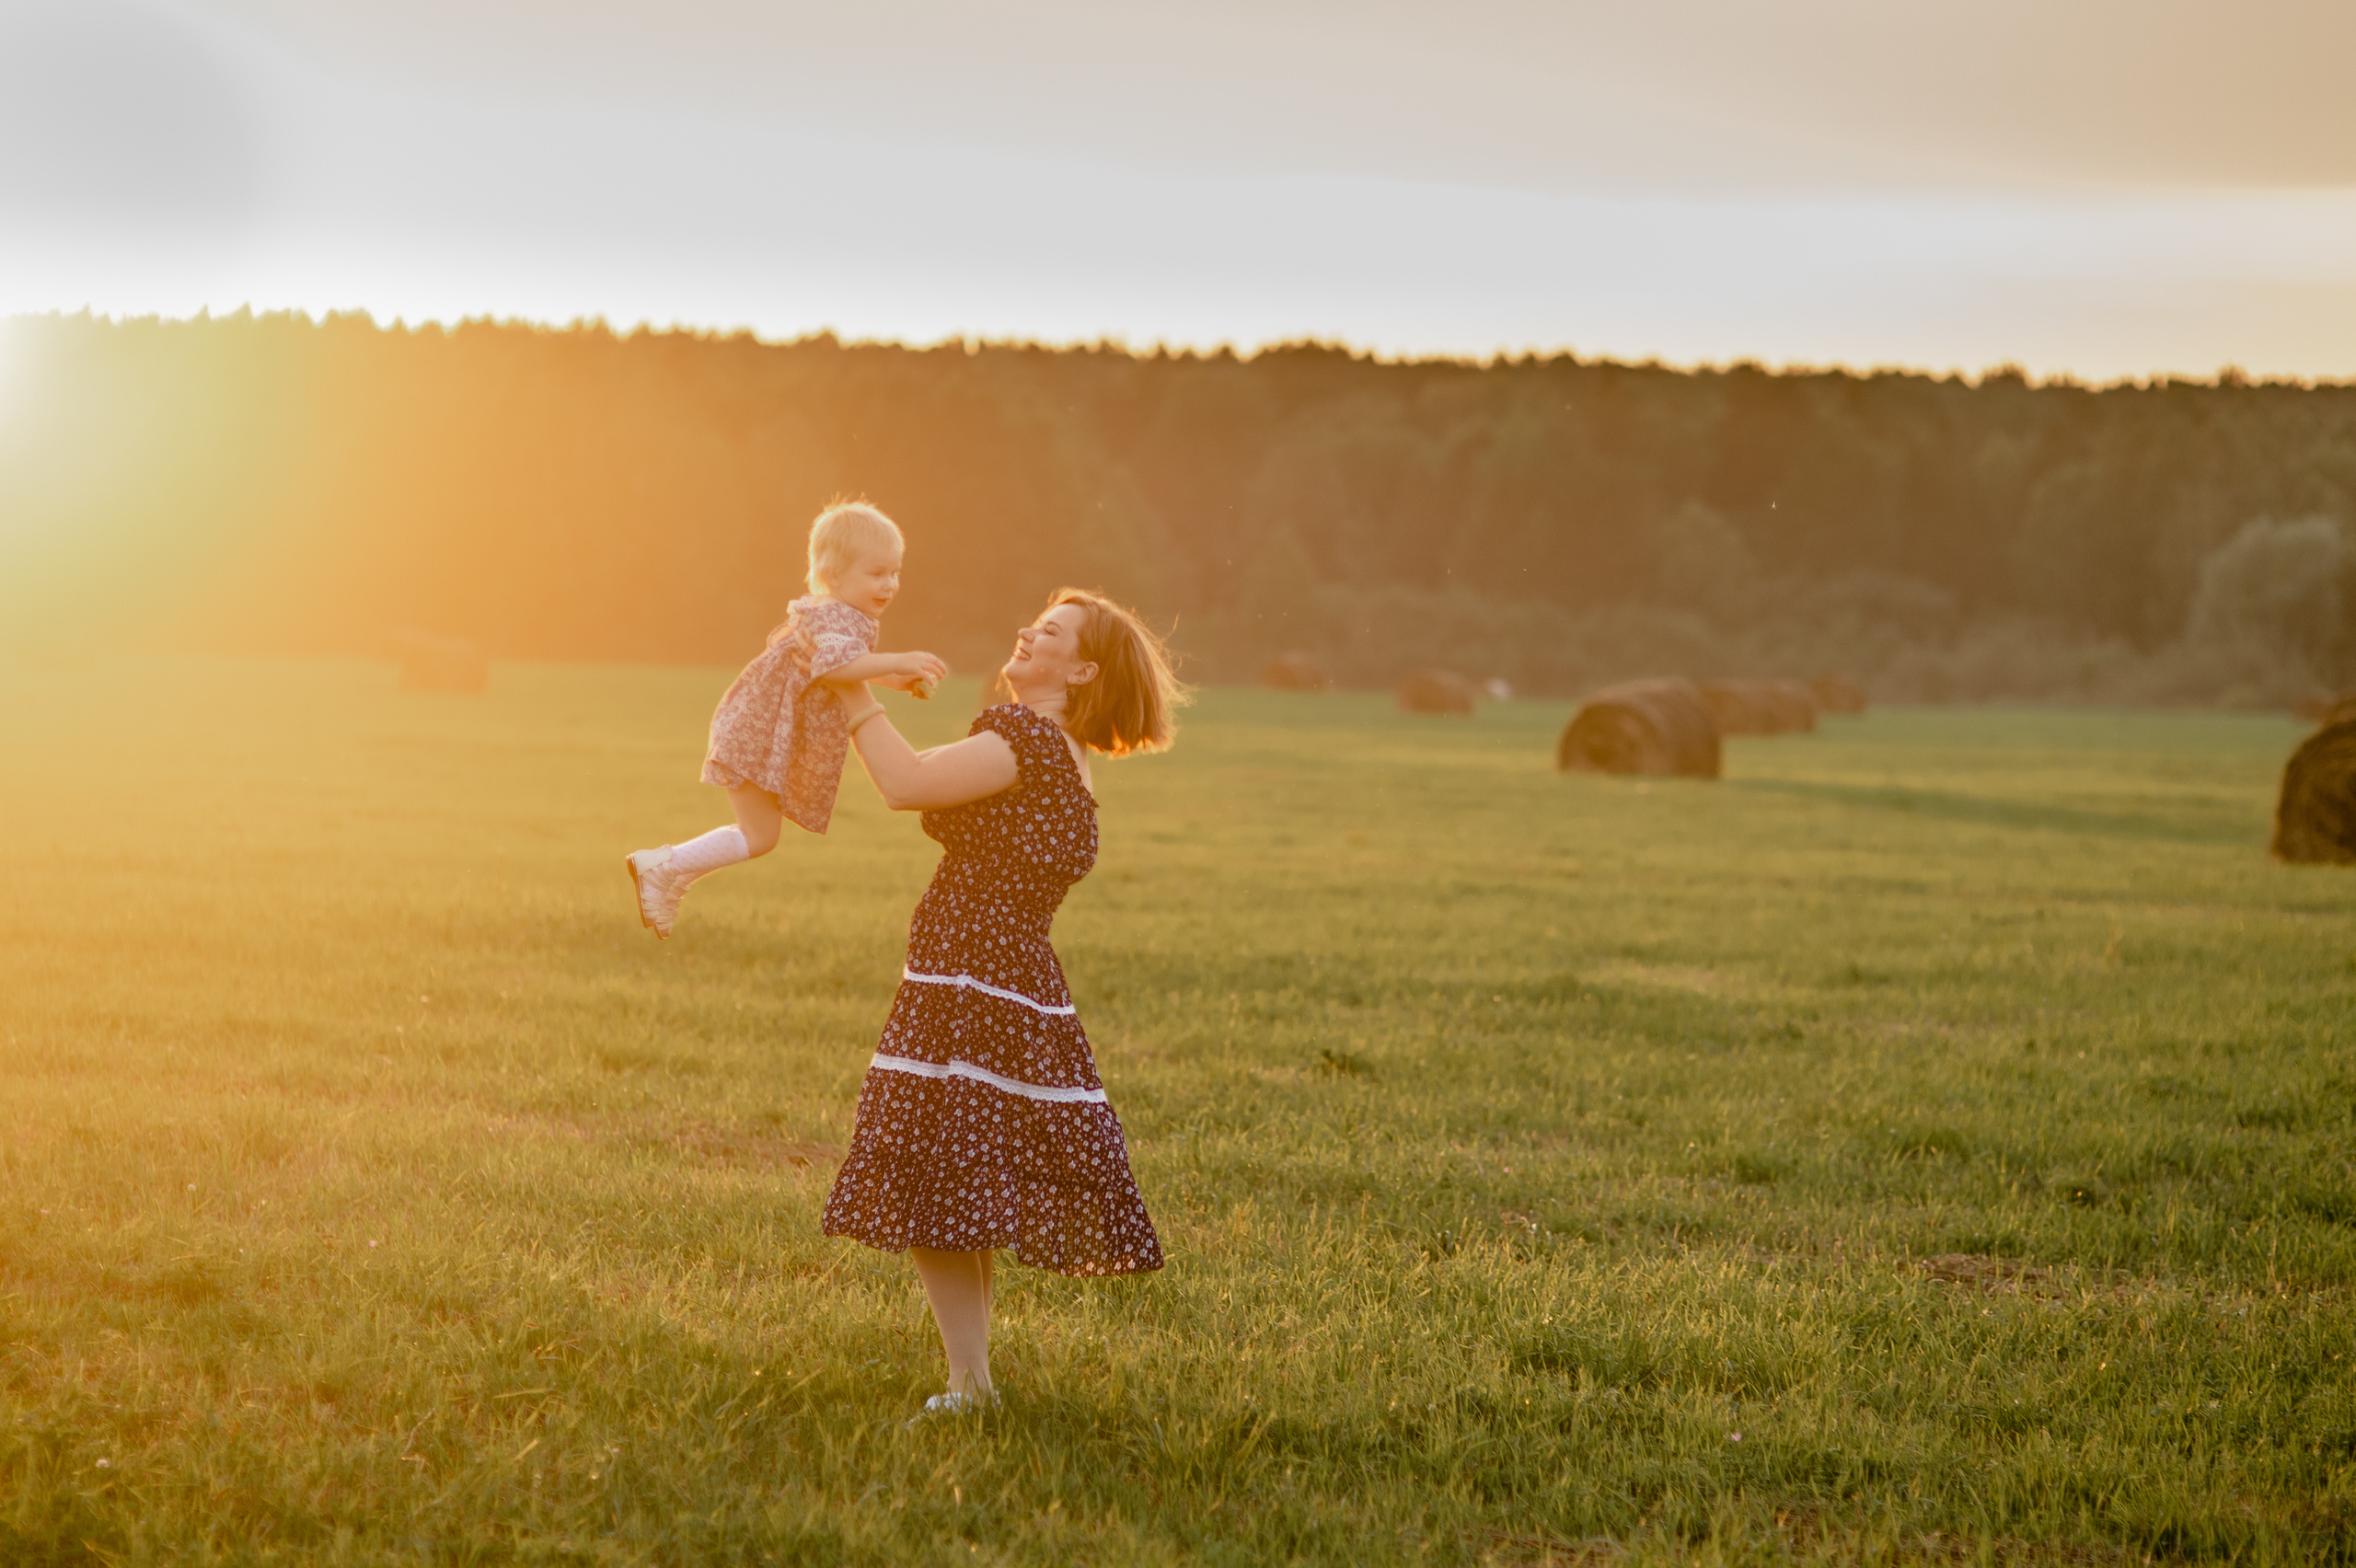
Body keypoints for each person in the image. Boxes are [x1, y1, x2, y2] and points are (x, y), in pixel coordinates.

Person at [820, 588, 1184, 1415]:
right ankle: (971, 1381)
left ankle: (969, 1382)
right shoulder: (1067, 751)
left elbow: (905, 783)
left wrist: (844, 684)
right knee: (959, 1175)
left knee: (934, 1173)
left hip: (969, 975)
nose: (1027, 631)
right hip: (1012, 976)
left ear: (1082, 668)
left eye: (1050, 632)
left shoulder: (1021, 737)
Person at [625, 502, 947, 937]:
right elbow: (834, 668)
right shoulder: (835, 614)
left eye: (895, 572)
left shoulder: (844, 615)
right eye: (877, 573)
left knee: (758, 834)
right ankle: (661, 867)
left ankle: (669, 876)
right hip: (757, 732)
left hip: (757, 728)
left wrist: (896, 679)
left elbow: (847, 665)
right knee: (760, 836)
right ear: (833, 575)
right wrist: (898, 660)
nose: (889, 584)